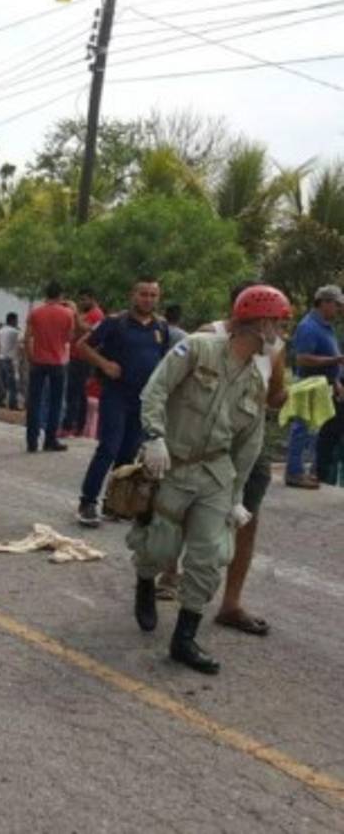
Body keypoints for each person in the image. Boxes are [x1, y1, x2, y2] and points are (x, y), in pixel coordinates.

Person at [129, 284, 291, 674]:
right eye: (278, 324)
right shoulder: (198, 348)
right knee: (161, 548)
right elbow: (156, 390)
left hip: (215, 473)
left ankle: (184, 638)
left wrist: (236, 496)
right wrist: (153, 436)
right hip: (173, 462)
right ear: (259, 322)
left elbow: (249, 444)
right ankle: (146, 581)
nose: (280, 335)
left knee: (210, 556)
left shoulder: (254, 380)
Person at [75, 275, 168, 527]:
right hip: (116, 395)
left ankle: (115, 503)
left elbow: (167, 363)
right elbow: (82, 346)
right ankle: (87, 502)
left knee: (128, 454)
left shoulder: (161, 327)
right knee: (109, 448)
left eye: (153, 295)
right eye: (143, 294)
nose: (148, 299)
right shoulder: (115, 323)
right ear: (133, 295)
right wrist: (105, 364)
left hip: (143, 400)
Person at [285, 284, 344, 488]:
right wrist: (336, 360)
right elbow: (302, 359)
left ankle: (305, 471)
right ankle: (294, 473)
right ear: (324, 303)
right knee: (302, 429)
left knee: (314, 431)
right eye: (337, 305)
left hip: (322, 385)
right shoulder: (308, 326)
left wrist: (336, 380)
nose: (339, 310)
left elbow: (329, 356)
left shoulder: (326, 326)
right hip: (308, 383)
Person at [23, 282, 76, 453]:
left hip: (38, 361)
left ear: (46, 295)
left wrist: (31, 356)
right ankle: (50, 440)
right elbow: (70, 338)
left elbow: (27, 338)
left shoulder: (35, 313)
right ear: (61, 295)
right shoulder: (68, 313)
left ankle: (32, 441)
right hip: (58, 362)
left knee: (35, 402)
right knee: (55, 402)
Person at [61, 289, 104, 437]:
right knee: (77, 393)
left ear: (92, 299)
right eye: (80, 300)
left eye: (84, 300)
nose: (81, 303)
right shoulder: (87, 313)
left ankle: (70, 426)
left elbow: (87, 329)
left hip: (83, 359)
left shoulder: (96, 315)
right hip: (76, 356)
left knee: (75, 393)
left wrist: (74, 312)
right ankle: (76, 426)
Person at [0, 312, 23, 411]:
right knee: (13, 384)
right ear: (12, 320)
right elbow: (21, 344)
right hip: (10, 359)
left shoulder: (1, 330)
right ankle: (13, 404)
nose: (17, 322)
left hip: (1, 357)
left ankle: (0, 401)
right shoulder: (15, 332)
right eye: (16, 320)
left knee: (2, 382)